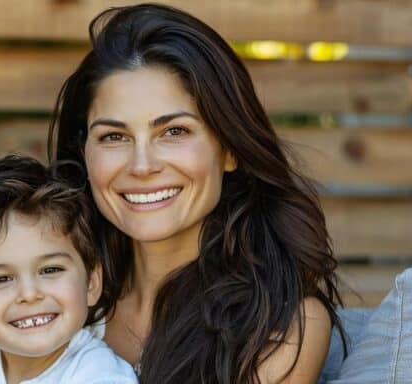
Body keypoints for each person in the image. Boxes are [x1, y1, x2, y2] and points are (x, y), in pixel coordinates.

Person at [49, 4, 343, 383]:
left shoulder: (279, 328)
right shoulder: (48, 294)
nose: (141, 166)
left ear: (230, 149)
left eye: (174, 132)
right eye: (114, 137)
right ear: (83, 152)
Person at [0, 155, 137, 384]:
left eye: (50, 270)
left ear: (91, 282)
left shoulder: (100, 376)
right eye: (0, 279)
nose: (29, 294)